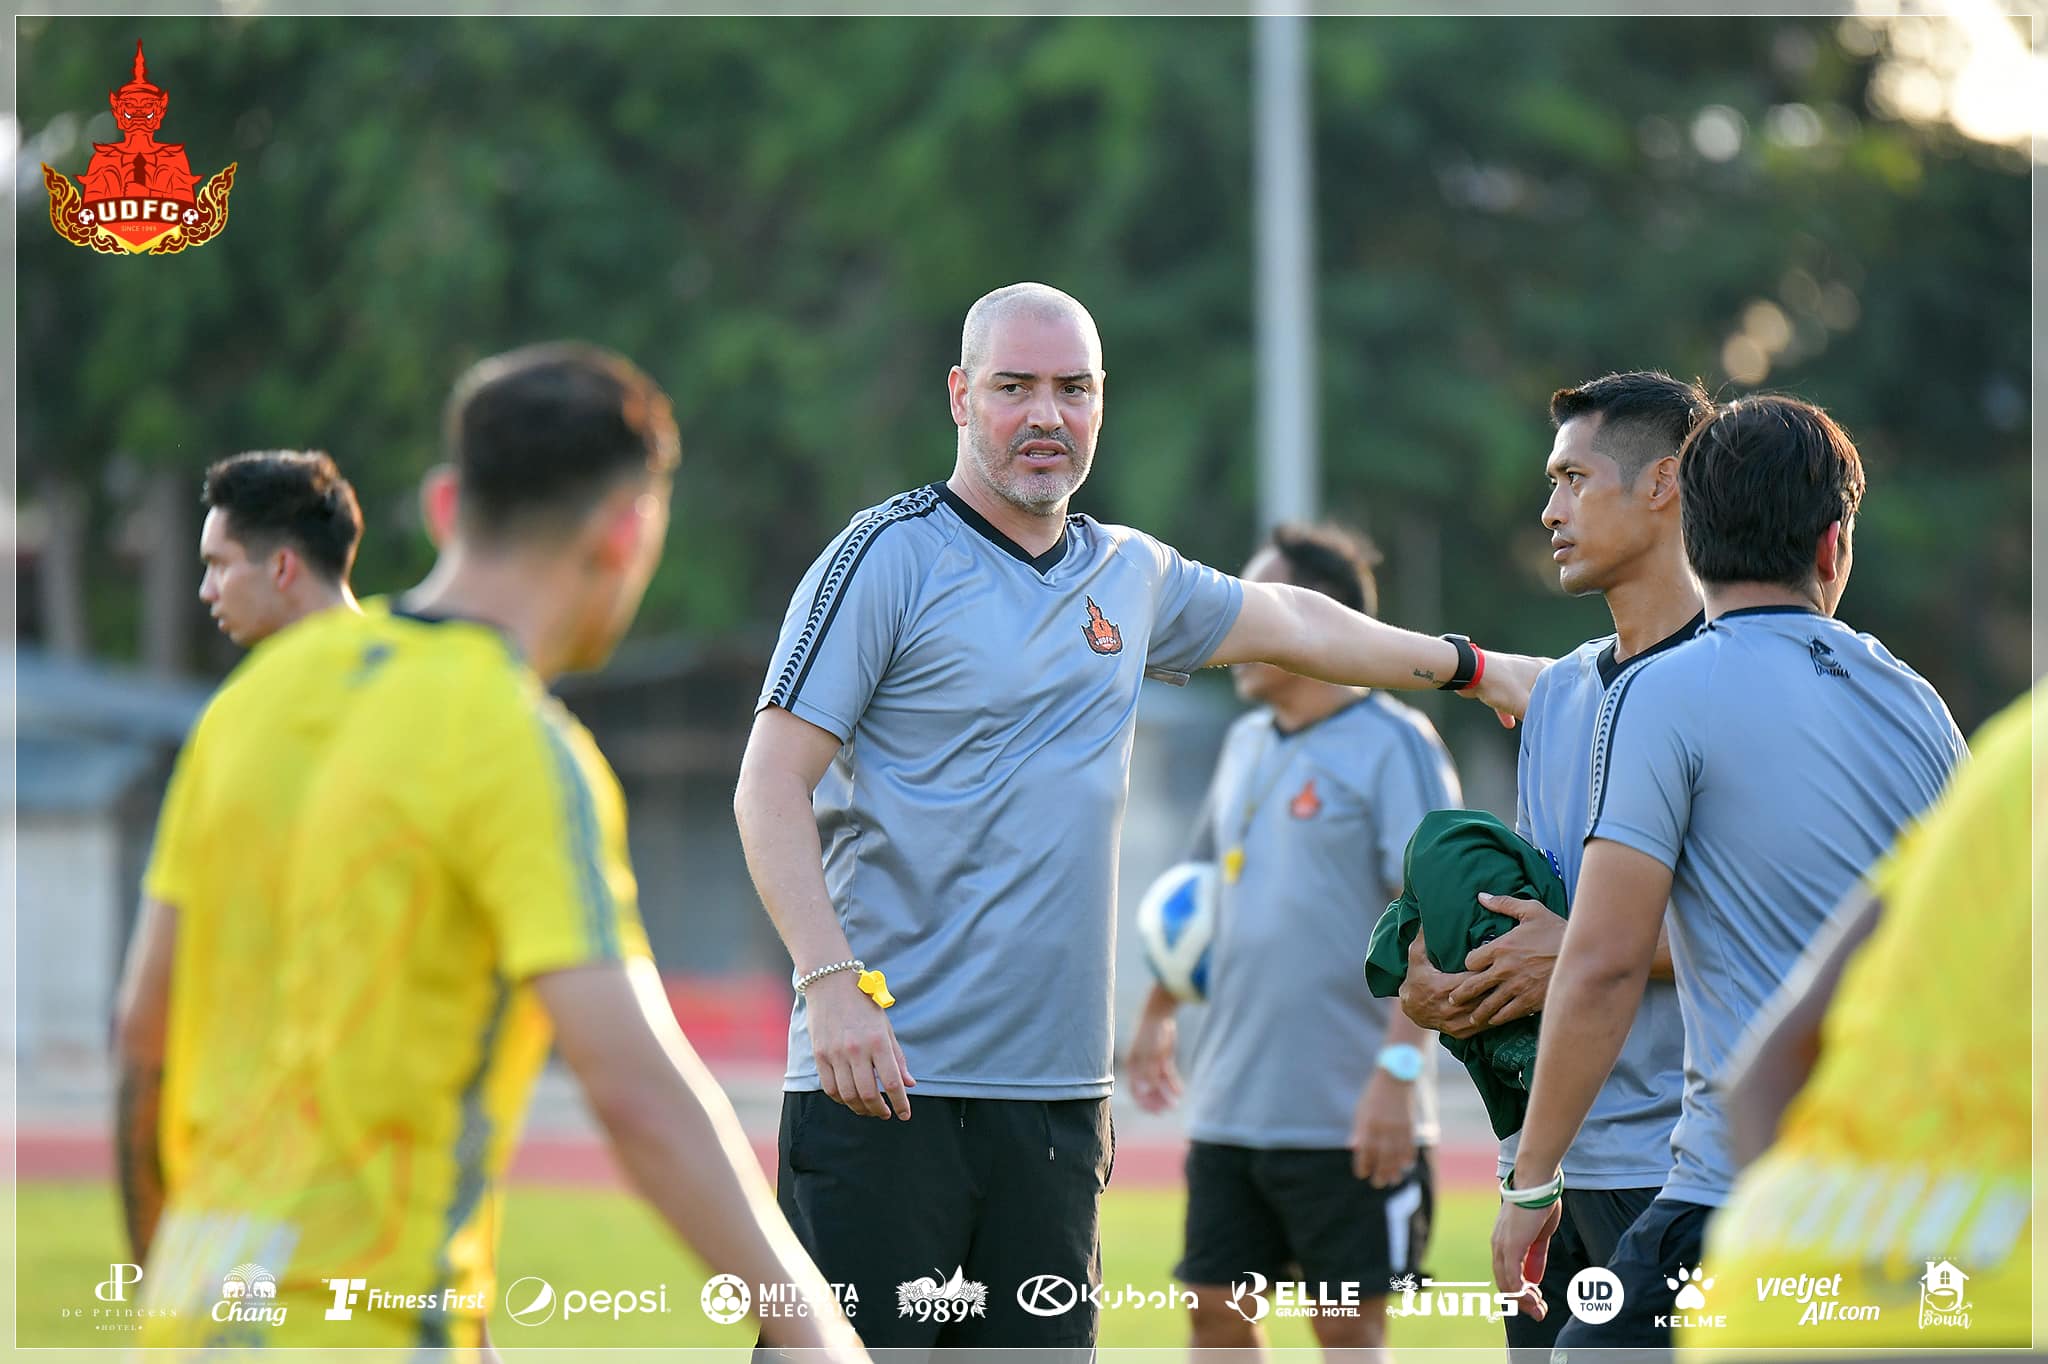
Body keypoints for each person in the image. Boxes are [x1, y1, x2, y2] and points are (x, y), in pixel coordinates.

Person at [733, 281, 1544, 1350]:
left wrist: (1473, 667)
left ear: (1101, 402)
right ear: (959, 396)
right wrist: (829, 984)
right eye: (1014, 387)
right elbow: (768, 783)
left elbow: (1295, 621)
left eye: (1072, 389)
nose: (1045, 415)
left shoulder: (1129, 573)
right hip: (883, 1087)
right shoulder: (885, 555)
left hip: (1057, 1107)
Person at [136, 344, 861, 1358]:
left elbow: (143, 1031)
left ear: (444, 505)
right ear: (627, 532)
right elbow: (638, 1095)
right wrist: (819, 1336)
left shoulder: (256, 696)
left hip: (186, 1323)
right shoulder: (521, 748)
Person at [1489, 395, 1965, 1351]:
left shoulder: (1662, 692)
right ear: (1831, 545)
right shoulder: (1916, 703)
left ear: (1692, 531)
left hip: (1740, 1191)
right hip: (1904, 1196)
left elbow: (1604, 961)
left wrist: (1532, 1179)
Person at [1396, 372, 1704, 1351]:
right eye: (1549, 482)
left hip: (1678, 1169)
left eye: (1573, 479)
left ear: (1661, 484)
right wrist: (1453, 983)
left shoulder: (1730, 680)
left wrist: (1577, 950)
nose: (1549, 510)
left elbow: (1782, 926)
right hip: (1549, 1163)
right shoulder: (1562, 692)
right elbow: (1544, 921)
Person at [1125, 523, 1458, 1355]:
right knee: (1214, 1313)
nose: (1237, 629)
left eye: (1259, 606)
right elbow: (1201, 892)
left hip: (1350, 1118)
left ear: (1315, 622)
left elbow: (1439, 925)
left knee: (1347, 1331)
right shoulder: (1244, 742)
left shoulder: (1396, 743)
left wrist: (1398, 1075)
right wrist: (1159, 1007)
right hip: (1233, 1111)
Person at [1692, 685, 2032, 1349]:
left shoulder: (2010, 754)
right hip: (1997, 1310)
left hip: (1775, 1287)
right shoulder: (1938, 717)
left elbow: (1760, 1075)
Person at [112, 448, 365, 1260]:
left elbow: (144, 1016)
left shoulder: (234, 726)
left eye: (219, 565)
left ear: (283, 567)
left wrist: (150, 1252)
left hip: (243, 1188)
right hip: (388, 1187)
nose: (205, 590)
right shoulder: (437, 699)